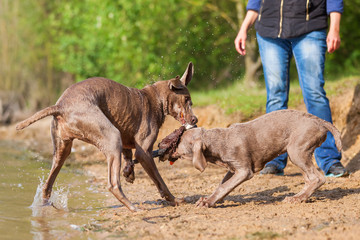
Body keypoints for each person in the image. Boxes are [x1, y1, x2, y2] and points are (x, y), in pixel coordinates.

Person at [234, 0, 347, 177]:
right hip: (269, 31)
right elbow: (256, 2)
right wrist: (243, 29)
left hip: (310, 27)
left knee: (315, 93)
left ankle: (329, 160)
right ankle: (274, 161)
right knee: (276, 96)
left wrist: (335, 28)